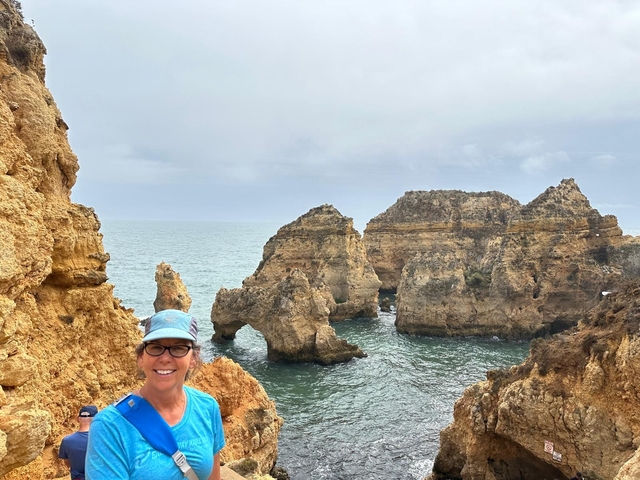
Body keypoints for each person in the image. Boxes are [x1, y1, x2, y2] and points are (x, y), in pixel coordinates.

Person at [85, 309, 225, 480]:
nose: (165, 358)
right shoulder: (110, 426)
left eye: (179, 348)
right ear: (141, 358)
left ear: (193, 359)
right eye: (156, 347)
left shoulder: (207, 407)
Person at [59, 405, 98, 480]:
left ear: (77, 419)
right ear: (96, 419)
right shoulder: (101, 439)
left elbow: (67, 463)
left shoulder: (66, 441)